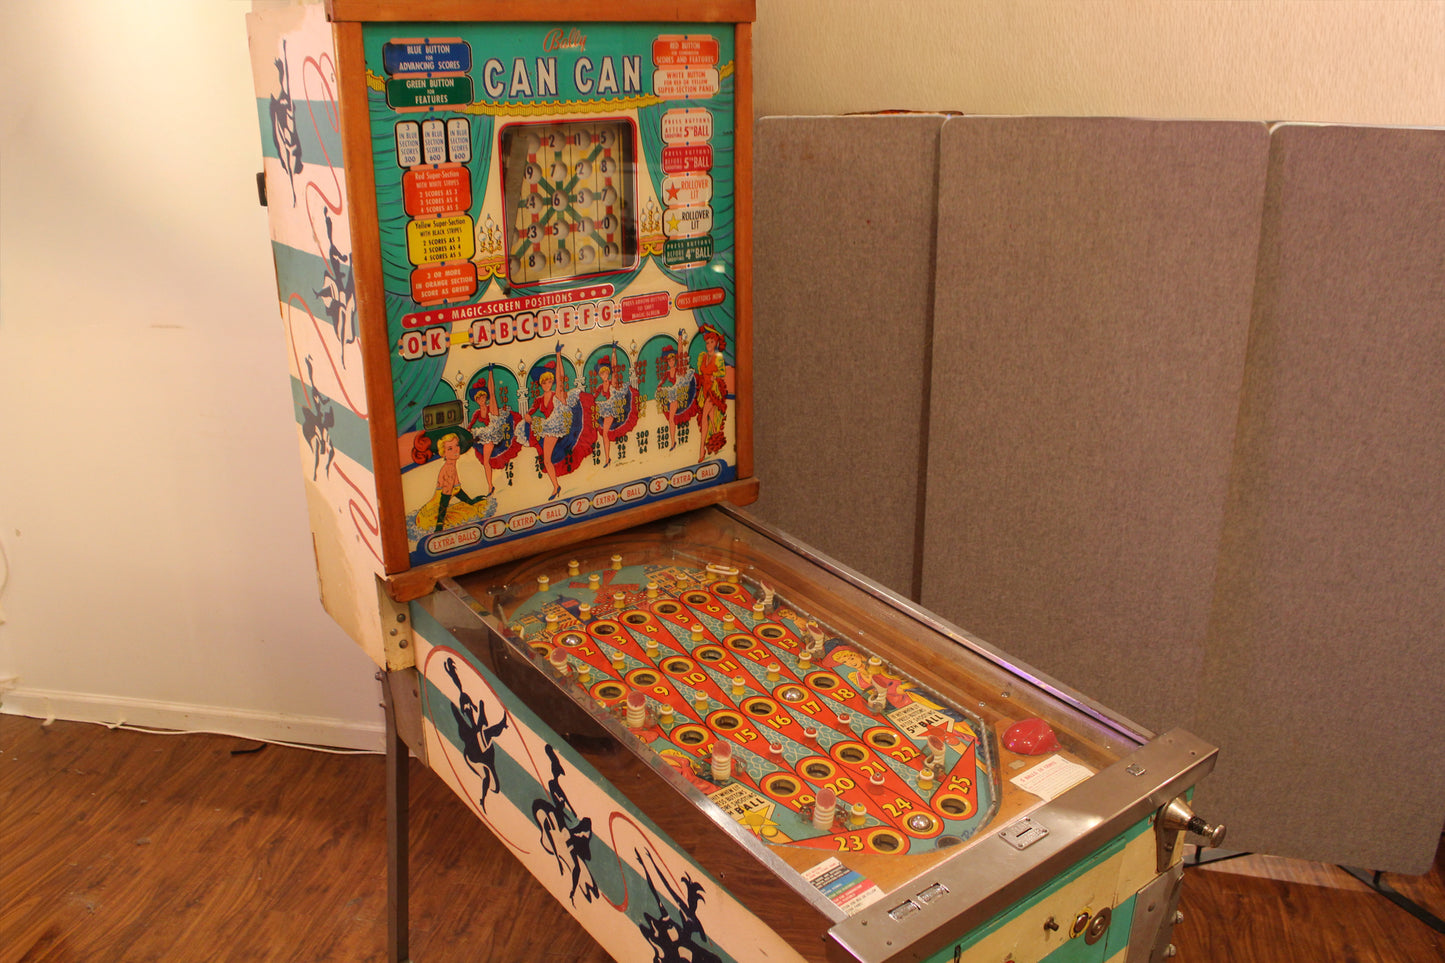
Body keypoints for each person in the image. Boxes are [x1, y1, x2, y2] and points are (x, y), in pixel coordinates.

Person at [466, 368, 519, 497]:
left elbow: (492, 393)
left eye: (483, 396)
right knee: (485, 462)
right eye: (478, 398)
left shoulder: (491, 407)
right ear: (476, 400)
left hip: (495, 432)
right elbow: (470, 426)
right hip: (485, 437)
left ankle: (490, 486)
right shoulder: (477, 413)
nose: (481, 399)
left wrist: (490, 372)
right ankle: (490, 486)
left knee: (486, 460)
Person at [692, 324, 729, 462]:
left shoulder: (718, 357)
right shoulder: (703, 357)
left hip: (714, 390)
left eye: (711, 342)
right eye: (707, 342)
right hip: (705, 389)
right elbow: (701, 372)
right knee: (712, 420)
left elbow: (722, 372)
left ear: (716, 342)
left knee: (704, 417)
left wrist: (714, 375)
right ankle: (716, 442)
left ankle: (701, 449)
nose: (709, 344)